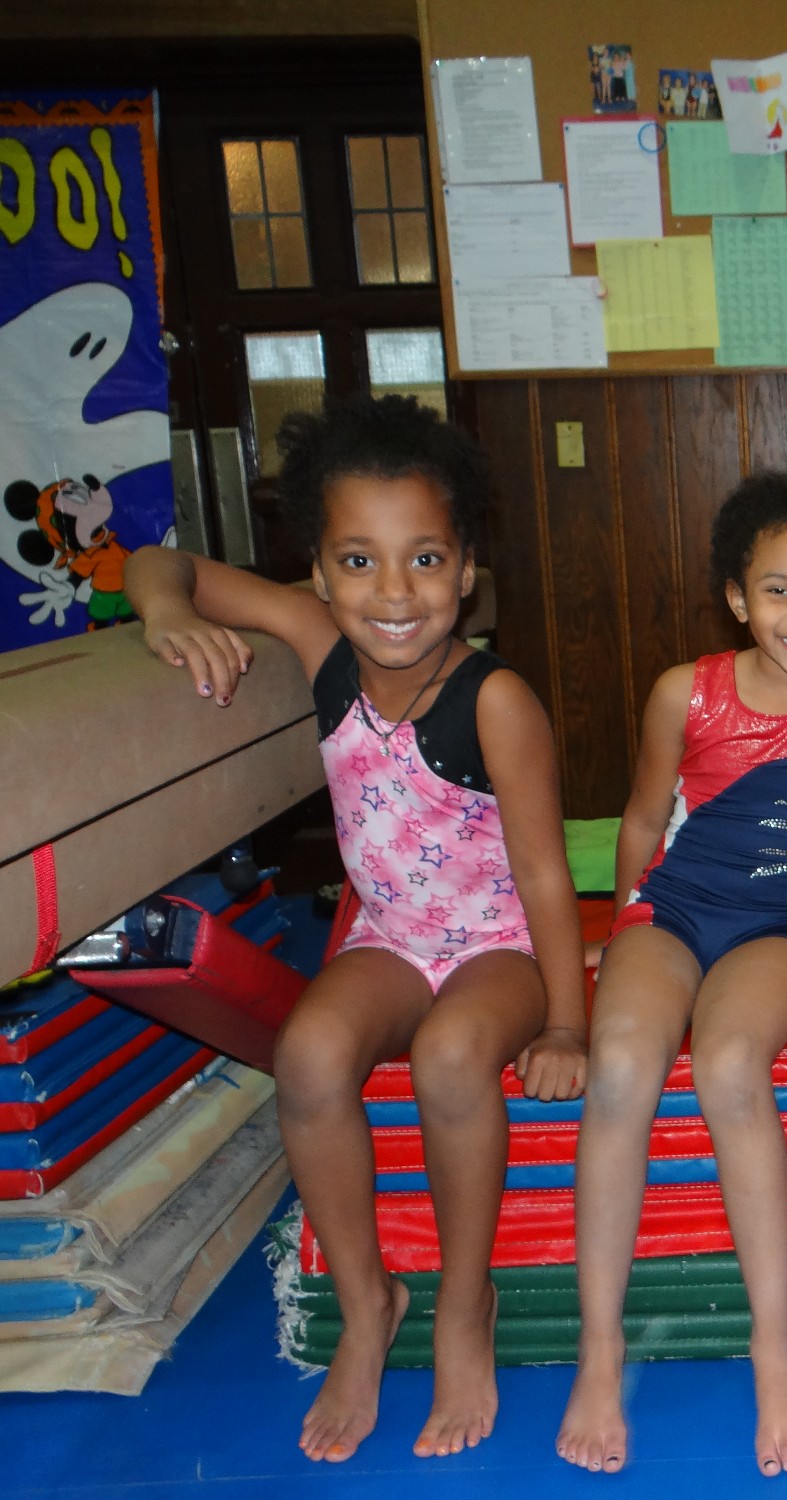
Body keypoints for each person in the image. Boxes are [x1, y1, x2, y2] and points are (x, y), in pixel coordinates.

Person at [126, 396, 589, 1461]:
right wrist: (164, 617)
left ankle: (464, 1304)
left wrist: (566, 1024)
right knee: (307, 1054)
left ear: (465, 571)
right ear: (320, 575)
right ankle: (368, 1300)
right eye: (358, 562)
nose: (394, 592)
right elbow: (163, 562)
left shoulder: (495, 700)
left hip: (497, 946)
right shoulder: (317, 643)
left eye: (424, 559)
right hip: (387, 936)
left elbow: (545, 877)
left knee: (451, 1055)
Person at [555, 475, 787, 1477]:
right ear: (737, 598)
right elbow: (641, 817)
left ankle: (773, 1342)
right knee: (619, 1067)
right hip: (671, 909)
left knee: (729, 1066)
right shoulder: (687, 688)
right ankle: (598, 1347)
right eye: (778, 591)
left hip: (779, 924)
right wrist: (620, 925)